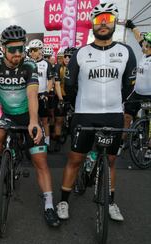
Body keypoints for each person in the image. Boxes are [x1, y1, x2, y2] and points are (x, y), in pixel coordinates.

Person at [0, 25, 60, 227]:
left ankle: (49, 205)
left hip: (27, 115)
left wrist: (33, 121)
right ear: (4, 48)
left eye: (21, 48)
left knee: (41, 161)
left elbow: (32, 94)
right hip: (7, 116)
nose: (18, 54)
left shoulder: (30, 65)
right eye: (13, 49)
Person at [56, 3, 137, 222]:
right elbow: (69, 84)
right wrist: (78, 105)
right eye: (99, 20)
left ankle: (111, 202)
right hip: (85, 114)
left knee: (111, 160)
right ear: (93, 23)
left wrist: (119, 105)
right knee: (75, 159)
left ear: (114, 22)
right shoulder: (82, 52)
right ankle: (63, 200)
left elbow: (130, 86)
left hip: (113, 114)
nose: (103, 24)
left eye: (107, 19)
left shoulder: (125, 51)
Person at [122, 21, 151, 156]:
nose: (142, 45)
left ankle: (149, 148)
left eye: (145, 44)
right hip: (137, 92)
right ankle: (123, 141)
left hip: (149, 95)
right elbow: (139, 36)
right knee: (127, 117)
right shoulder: (145, 53)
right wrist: (132, 26)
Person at [28, 39, 54, 149]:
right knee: (30, 119)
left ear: (40, 50)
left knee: (44, 120)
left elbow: (50, 80)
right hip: (30, 95)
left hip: (42, 94)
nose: (32, 52)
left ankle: (47, 141)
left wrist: (47, 92)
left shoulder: (46, 64)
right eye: (31, 50)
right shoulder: (27, 63)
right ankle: (29, 140)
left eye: (35, 50)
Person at [52, 47, 77, 152]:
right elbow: (57, 84)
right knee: (59, 120)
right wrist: (61, 99)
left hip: (74, 97)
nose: (66, 58)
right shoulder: (58, 67)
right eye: (65, 56)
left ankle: (74, 142)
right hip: (61, 95)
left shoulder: (78, 68)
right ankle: (57, 142)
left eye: (69, 57)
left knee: (75, 123)